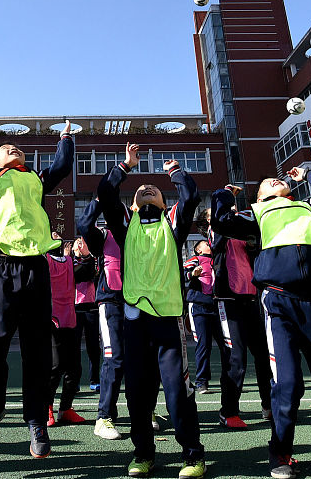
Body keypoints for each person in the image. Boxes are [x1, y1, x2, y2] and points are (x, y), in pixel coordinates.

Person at [212, 166, 311, 479]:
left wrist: (306, 173)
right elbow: (220, 220)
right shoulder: (256, 214)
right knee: (288, 385)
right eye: (265, 182)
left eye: (278, 180)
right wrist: (225, 193)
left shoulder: (308, 208)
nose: (273, 179)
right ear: (259, 197)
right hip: (277, 300)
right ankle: (280, 452)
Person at [0, 107, 73, 457]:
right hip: (4, 270)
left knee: (37, 352)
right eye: (6, 149)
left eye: (18, 148)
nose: (14, 149)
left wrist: (65, 138)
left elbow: (62, 167)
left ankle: (36, 421)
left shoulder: (36, 179)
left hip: (37, 270)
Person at [98, 143, 205, 479]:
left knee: (178, 394)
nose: (147, 190)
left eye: (154, 190)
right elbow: (104, 192)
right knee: (138, 396)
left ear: (164, 203)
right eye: (141, 190)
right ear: (131, 203)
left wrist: (174, 172)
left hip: (168, 323)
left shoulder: (173, 223)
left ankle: (193, 456)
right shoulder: (125, 224)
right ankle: (143, 454)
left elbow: (190, 196)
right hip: (134, 323)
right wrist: (126, 166)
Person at [207, 191, 274, 428]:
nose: (234, 215)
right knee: (236, 357)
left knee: (264, 354)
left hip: (252, 299)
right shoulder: (217, 232)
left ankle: (269, 404)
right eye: (230, 213)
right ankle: (229, 411)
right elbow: (221, 227)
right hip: (227, 300)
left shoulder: (247, 234)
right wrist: (225, 197)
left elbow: (258, 249)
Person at [77, 194, 127, 441]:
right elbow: (84, 225)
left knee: (139, 359)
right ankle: (104, 417)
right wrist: (99, 199)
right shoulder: (103, 237)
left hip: (139, 302)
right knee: (114, 358)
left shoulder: (137, 234)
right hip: (111, 302)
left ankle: (144, 411)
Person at [47, 235, 90, 426]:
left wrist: (86, 256)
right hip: (51, 319)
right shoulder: (43, 261)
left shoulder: (71, 262)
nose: (58, 238)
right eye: (53, 236)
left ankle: (65, 409)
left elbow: (88, 274)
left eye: (59, 236)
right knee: (55, 367)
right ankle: (46, 408)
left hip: (70, 319)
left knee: (74, 369)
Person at [183, 239, 227, 395]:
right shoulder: (195, 259)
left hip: (218, 306)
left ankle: (228, 379)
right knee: (204, 344)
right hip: (200, 306)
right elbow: (182, 273)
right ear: (198, 250)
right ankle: (202, 382)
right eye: (205, 244)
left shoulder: (218, 259)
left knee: (226, 345)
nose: (209, 245)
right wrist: (191, 274)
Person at [73, 237, 102, 391]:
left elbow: (90, 274)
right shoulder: (68, 262)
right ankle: (74, 381)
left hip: (91, 307)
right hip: (75, 308)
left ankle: (94, 379)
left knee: (93, 347)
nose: (80, 243)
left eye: (83, 241)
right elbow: (75, 276)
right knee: (74, 347)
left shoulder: (92, 261)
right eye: (77, 242)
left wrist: (86, 257)